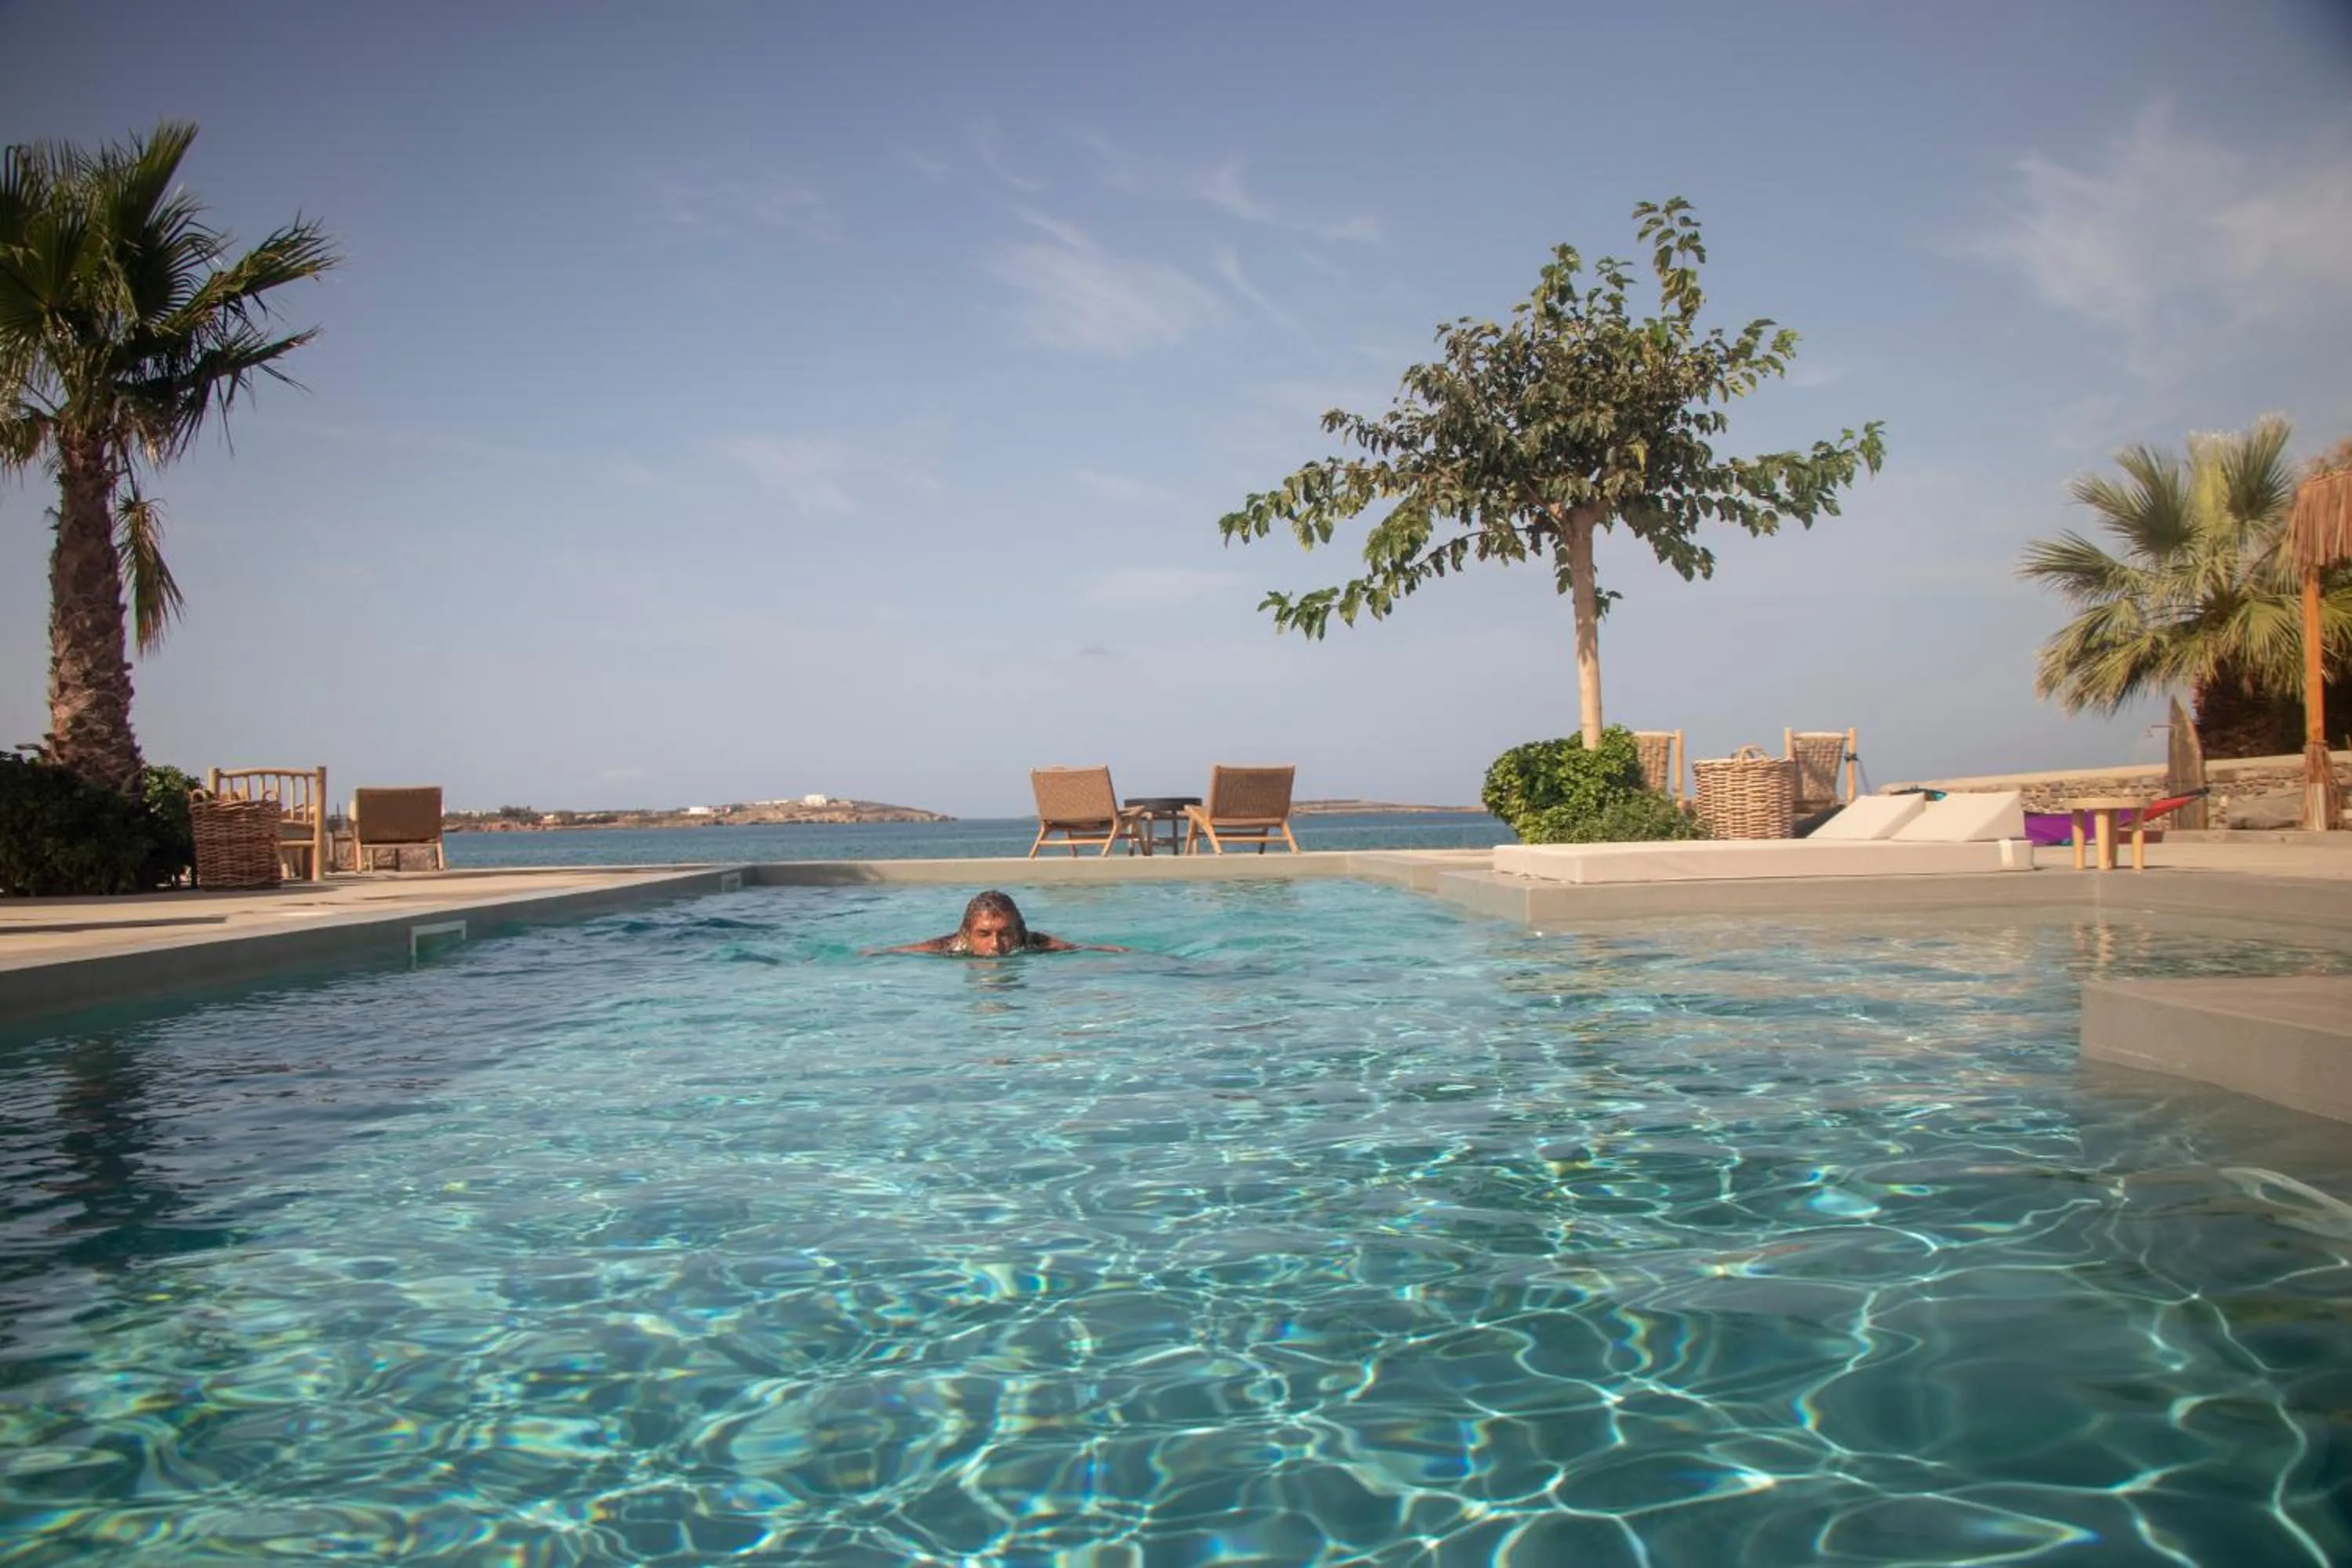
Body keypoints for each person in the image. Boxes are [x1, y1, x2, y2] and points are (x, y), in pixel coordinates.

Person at [865, 890, 1125, 956]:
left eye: (1005, 934)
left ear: (1019, 931)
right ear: (967, 934)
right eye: (984, 934)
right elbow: (908, 950)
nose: (996, 945)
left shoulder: (1035, 943)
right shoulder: (951, 946)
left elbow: (1078, 948)